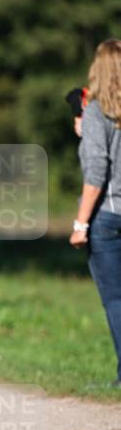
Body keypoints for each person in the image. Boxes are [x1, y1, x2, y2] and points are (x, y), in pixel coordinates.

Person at [69, 39, 121, 387]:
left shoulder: (96, 113)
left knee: (117, 300)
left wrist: (80, 224)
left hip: (109, 215)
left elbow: (96, 174)